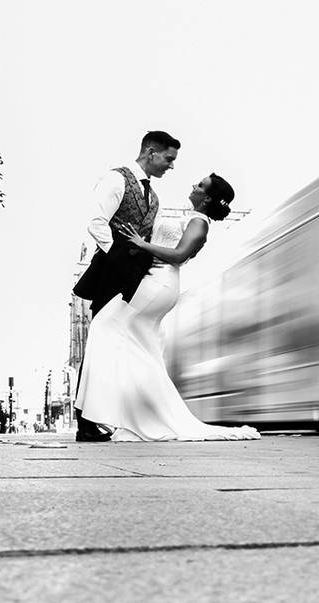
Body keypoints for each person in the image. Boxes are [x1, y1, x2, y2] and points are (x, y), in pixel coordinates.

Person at [74, 173, 260, 442]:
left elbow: (180, 255)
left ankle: (104, 415)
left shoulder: (199, 224)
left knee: (104, 327)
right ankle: (130, 415)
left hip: (160, 285)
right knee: (141, 349)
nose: (193, 186)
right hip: (152, 283)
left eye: (200, 185)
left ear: (207, 197)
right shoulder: (190, 217)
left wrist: (141, 243)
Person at [72, 130, 181, 442]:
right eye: (168, 159)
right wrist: (119, 255)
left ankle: (108, 416)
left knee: (117, 342)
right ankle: (87, 422)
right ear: (150, 152)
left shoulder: (155, 197)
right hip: (111, 271)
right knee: (100, 340)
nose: (171, 166)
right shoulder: (116, 179)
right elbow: (96, 222)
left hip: (135, 275)